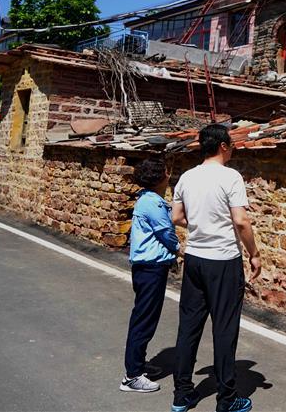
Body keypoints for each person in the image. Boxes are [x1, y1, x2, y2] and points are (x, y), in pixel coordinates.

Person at [170, 124, 261, 412]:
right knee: (224, 328)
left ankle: (182, 394)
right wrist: (255, 254)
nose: (232, 148)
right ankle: (227, 398)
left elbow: (176, 217)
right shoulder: (230, 177)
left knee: (189, 327)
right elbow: (241, 221)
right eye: (231, 144)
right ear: (223, 146)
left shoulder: (187, 177)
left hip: (195, 258)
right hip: (223, 260)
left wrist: (199, 226)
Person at [121, 157, 179, 393]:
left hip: (148, 267)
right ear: (160, 177)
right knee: (144, 320)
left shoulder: (148, 199)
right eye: (167, 172)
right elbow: (166, 232)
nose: (169, 176)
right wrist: (177, 248)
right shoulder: (152, 203)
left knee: (145, 317)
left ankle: (139, 364)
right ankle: (132, 376)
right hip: (150, 267)